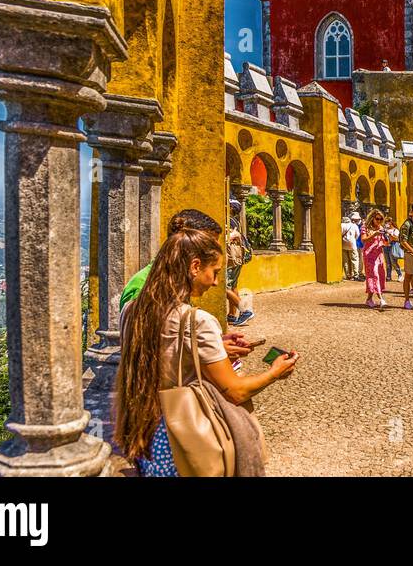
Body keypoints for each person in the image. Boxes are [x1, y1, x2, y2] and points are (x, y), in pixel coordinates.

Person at [114, 216, 297, 476]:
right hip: (182, 439)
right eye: (215, 273)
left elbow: (162, 349)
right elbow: (235, 391)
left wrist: (214, 345)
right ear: (195, 266)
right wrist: (275, 372)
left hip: (146, 434)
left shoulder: (132, 310)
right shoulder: (197, 320)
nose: (215, 283)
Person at [225, 199, 253, 325]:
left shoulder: (229, 221)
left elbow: (230, 237)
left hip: (232, 258)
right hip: (237, 258)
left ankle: (245, 310)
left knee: (224, 287)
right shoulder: (235, 221)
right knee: (233, 285)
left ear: (231, 208)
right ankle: (231, 315)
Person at [361, 210, 390, 309]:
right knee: (374, 275)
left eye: (381, 219)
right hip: (369, 255)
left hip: (379, 254)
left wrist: (387, 239)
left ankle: (369, 299)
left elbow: (385, 243)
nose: (379, 221)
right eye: (377, 219)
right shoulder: (365, 227)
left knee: (380, 275)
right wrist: (374, 234)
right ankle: (381, 299)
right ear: (372, 218)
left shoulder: (381, 228)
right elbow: (363, 239)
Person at [340, 211, 362, 281]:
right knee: (354, 259)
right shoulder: (354, 225)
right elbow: (357, 235)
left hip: (344, 244)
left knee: (345, 260)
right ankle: (356, 274)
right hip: (352, 244)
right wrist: (353, 239)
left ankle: (348, 275)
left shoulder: (341, 225)